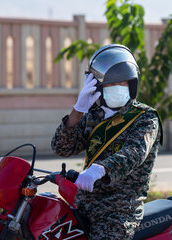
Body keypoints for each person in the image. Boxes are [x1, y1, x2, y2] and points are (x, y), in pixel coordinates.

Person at [51, 44, 163, 240]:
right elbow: (61, 148)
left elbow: (135, 153)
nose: (117, 89)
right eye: (110, 85)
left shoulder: (145, 118)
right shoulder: (93, 115)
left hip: (119, 210)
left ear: (132, 85)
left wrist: (99, 169)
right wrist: (77, 111)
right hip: (84, 203)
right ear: (99, 88)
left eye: (123, 84)